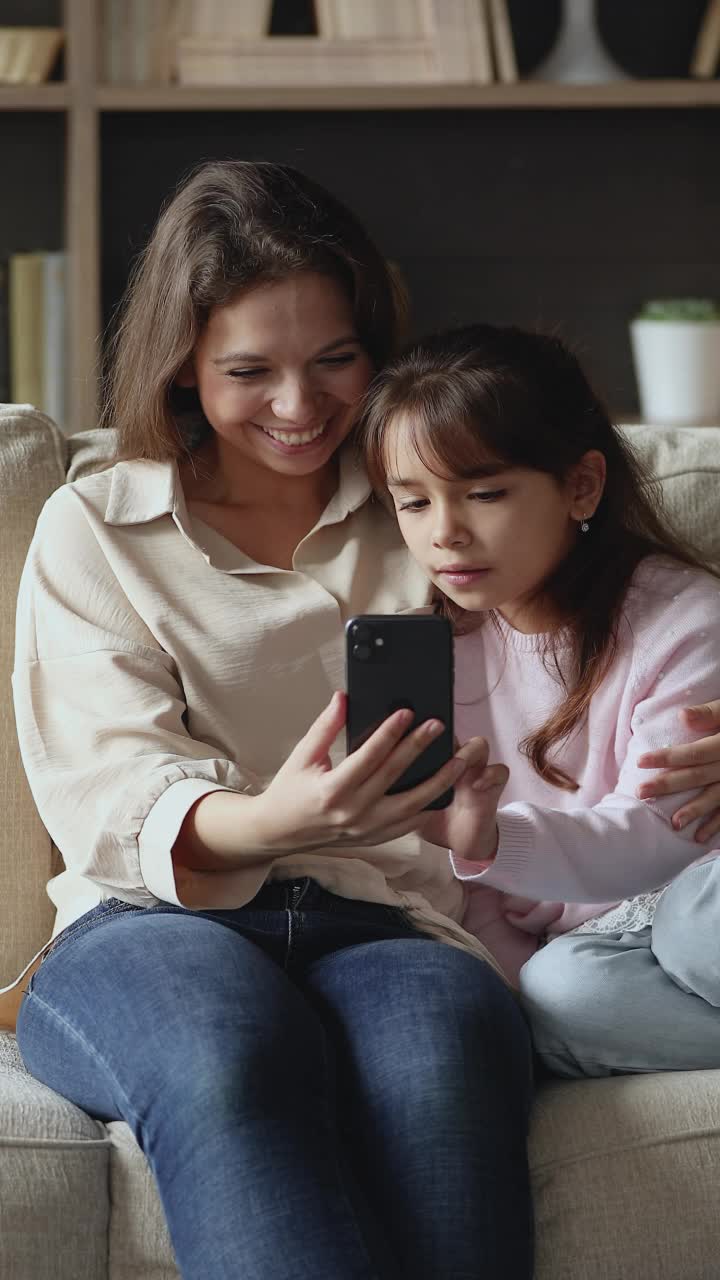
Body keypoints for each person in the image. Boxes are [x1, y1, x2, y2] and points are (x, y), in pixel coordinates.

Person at [8, 162, 720, 1277]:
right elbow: (107, 790)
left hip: (392, 919)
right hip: (147, 924)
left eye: (335, 359)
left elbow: (614, 613)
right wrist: (270, 819)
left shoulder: (430, 482)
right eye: (250, 371)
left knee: (442, 1060)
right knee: (227, 1053)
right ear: (186, 367)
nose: (301, 408)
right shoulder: (95, 525)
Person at [357, 321, 720, 1075]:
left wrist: (492, 844)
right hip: (606, 952)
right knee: (558, 993)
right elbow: (480, 909)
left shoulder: (684, 620)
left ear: (581, 485)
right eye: (413, 503)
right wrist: (472, 851)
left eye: (484, 494)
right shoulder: (438, 654)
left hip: (689, 888)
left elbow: (664, 833)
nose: (445, 533)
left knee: (695, 922)